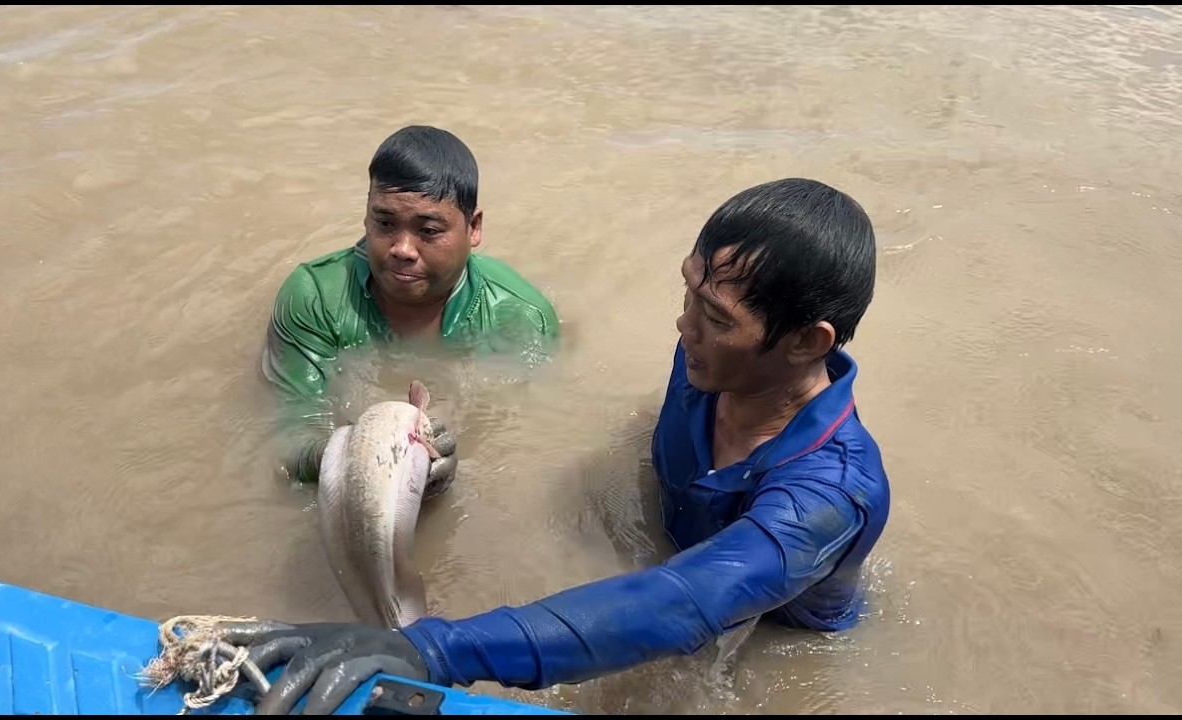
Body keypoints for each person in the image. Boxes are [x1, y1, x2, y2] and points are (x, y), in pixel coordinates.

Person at [224, 177, 891, 715]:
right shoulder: (713, 360)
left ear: (808, 342)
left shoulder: (830, 495)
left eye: (716, 318)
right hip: (680, 558)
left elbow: (684, 604)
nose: (683, 324)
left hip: (770, 631)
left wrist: (433, 651)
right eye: (689, 292)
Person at [262, 125, 562, 492]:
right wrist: (347, 456)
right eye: (385, 223)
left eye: (429, 230)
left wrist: (453, 470)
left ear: (474, 227)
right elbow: (287, 438)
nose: (402, 248)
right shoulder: (315, 297)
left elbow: (523, 450)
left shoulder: (519, 317)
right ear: (366, 216)